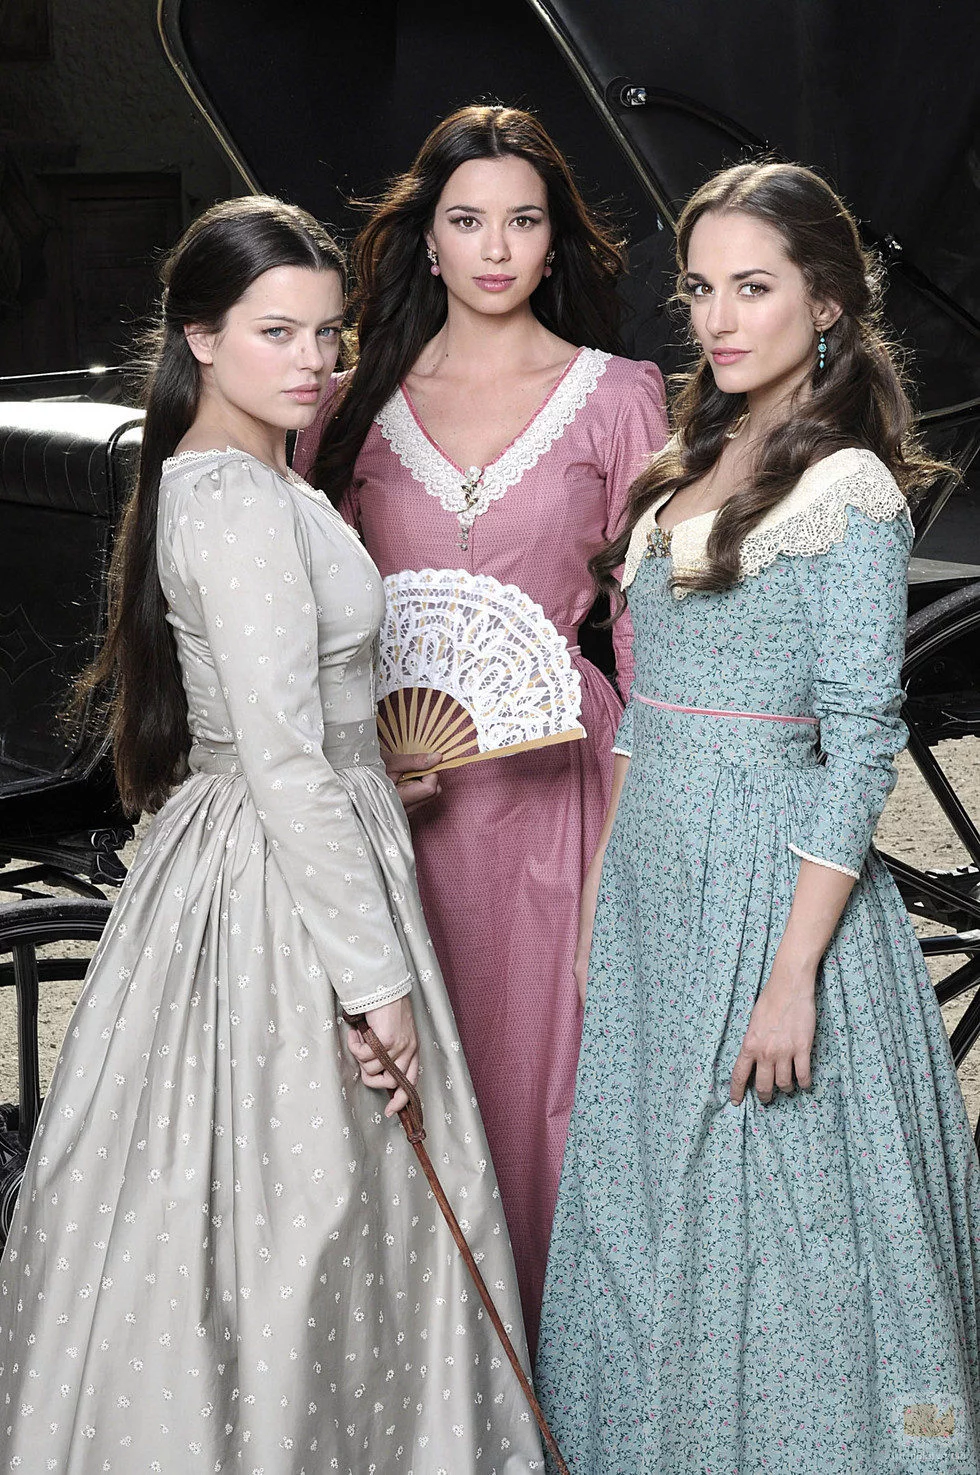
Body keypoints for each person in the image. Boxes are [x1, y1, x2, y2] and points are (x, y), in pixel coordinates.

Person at [0, 196, 543, 1472]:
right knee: (301, 1206)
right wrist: (373, 978)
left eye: (326, 332)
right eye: (275, 331)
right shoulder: (235, 501)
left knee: (296, 1210)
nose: (311, 360)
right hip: (279, 880)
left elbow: (295, 734)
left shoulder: (245, 482)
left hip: (290, 831)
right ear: (199, 337)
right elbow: (285, 761)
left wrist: (375, 773)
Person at [535, 161, 980, 1472]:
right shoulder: (682, 466)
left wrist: (793, 980)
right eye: (700, 288)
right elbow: (640, 713)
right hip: (655, 887)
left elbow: (859, 745)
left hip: (769, 887)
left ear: (825, 304)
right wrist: (601, 899)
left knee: (778, 1215)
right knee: (644, 1199)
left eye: (753, 288)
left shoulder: (847, 492)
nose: (718, 319)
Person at [294, 104, 668, 1353]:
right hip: (393, 794)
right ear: (429, 239)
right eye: (467, 220)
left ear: (555, 241)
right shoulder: (345, 406)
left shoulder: (619, 398)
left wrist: (633, 849)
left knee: (545, 1092)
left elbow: (652, 640)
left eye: (522, 220)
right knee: (386, 1082)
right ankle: (421, 1388)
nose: (495, 248)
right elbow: (301, 612)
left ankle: (558, 1382)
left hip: (559, 794)